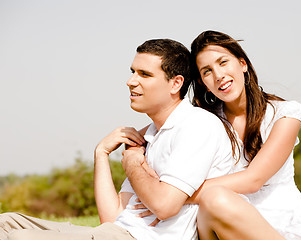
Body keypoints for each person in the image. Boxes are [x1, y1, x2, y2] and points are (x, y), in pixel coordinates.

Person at [0, 38, 234, 240]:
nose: (131, 81)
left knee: (20, 237)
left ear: (176, 83)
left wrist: (132, 162)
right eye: (133, 71)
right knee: (6, 224)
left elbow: (165, 206)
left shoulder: (196, 125)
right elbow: (111, 218)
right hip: (114, 233)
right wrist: (101, 152)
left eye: (145, 74)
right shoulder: (152, 133)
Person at [185, 30, 301, 240]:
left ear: (243, 64)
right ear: (203, 82)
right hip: (231, 221)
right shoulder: (201, 120)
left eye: (223, 62)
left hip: (293, 222)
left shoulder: (285, 113)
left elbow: (254, 180)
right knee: (214, 199)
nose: (218, 75)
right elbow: (157, 132)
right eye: (207, 71)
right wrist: (134, 137)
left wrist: (179, 194)